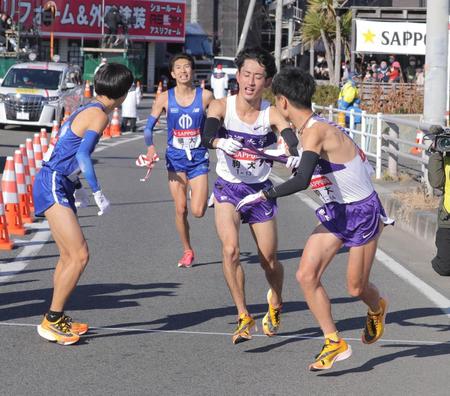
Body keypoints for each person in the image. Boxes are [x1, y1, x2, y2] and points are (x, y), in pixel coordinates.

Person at [236, 67, 392, 369]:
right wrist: (272, 156)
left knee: (356, 288)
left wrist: (263, 195)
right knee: (306, 276)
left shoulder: (315, 131)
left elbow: (304, 179)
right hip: (337, 212)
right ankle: (334, 341)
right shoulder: (309, 132)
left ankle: (377, 307)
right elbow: (308, 164)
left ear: (282, 102)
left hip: (361, 213)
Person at [200, 47, 301, 344]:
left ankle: (277, 300)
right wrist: (219, 141)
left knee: (268, 259)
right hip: (228, 189)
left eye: (258, 76)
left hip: (260, 192)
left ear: (267, 82)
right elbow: (207, 134)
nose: (251, 82)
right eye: (246, 74)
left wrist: (290, 151)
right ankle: (243, 315)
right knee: (230, 250)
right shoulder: (221, 106)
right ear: (238, 75)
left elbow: (288, 133)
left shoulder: (270, 112)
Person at [32, 63, 133, 345]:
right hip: (53, 181)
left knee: (68, 256)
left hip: (57, 181)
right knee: (79, 255)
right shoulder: (99, 115)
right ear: (123, 94)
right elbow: (84, 156)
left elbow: (69, 149)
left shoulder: (89, 108)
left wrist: (75, 186)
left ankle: (56, 316)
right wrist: (97, 190)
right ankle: (52, 320)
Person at [143, 53, 214, 268]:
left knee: (198, 212)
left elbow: (218, 123)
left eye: (187, 67)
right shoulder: (164, 98)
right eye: (179, 68)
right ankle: (187, 250)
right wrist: (150, 147)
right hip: (175, 159)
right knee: (181, 208)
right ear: (173, 73)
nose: (183, 71)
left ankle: (205, 192)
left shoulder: (206, 97)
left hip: (198, 158)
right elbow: (148, 127)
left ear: (193, 71)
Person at [427, 130, 450, 276]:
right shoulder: (446, 155)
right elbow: (436, 182)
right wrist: (436, 152)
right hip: (448, 216)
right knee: (444, 267)